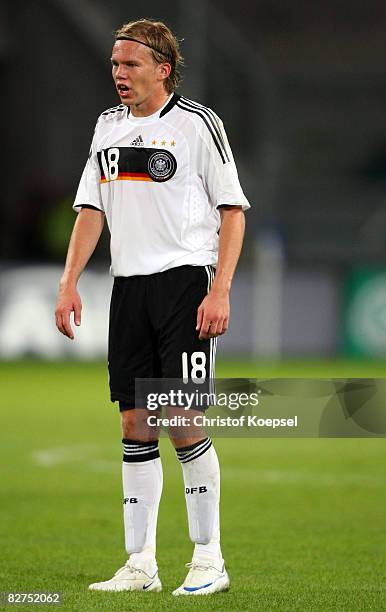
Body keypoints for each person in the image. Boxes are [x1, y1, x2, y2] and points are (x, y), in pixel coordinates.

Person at [55, 18, 249, 596]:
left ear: (163, 69)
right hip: (129, 287)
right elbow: (92, 209)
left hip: (186, 282)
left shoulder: (197, 126)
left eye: (131, 64)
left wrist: (221, 289)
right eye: (115, 64)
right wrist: (68, 282)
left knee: (183, 420)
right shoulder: (107, 128)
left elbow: (232, 210)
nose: (119, 74)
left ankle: (209, 558)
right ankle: (140, 564)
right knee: (135, 423)